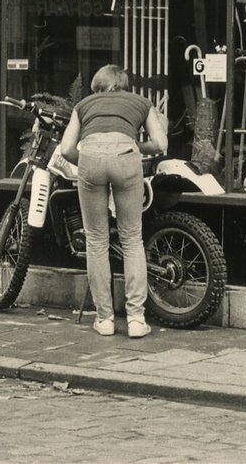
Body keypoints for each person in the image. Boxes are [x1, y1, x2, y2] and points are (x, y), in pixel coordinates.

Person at [56, 64, 168, 338]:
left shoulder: (83, 104)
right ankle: (136, 320)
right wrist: (131, 148)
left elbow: (67, 148)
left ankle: (105, 319)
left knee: (96, 240)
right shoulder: (141, 102)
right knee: (132, 238)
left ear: (97, 86)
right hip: (127, 157)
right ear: (124, 85)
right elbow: (160, 143)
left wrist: (86, 162)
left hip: (90, 158)